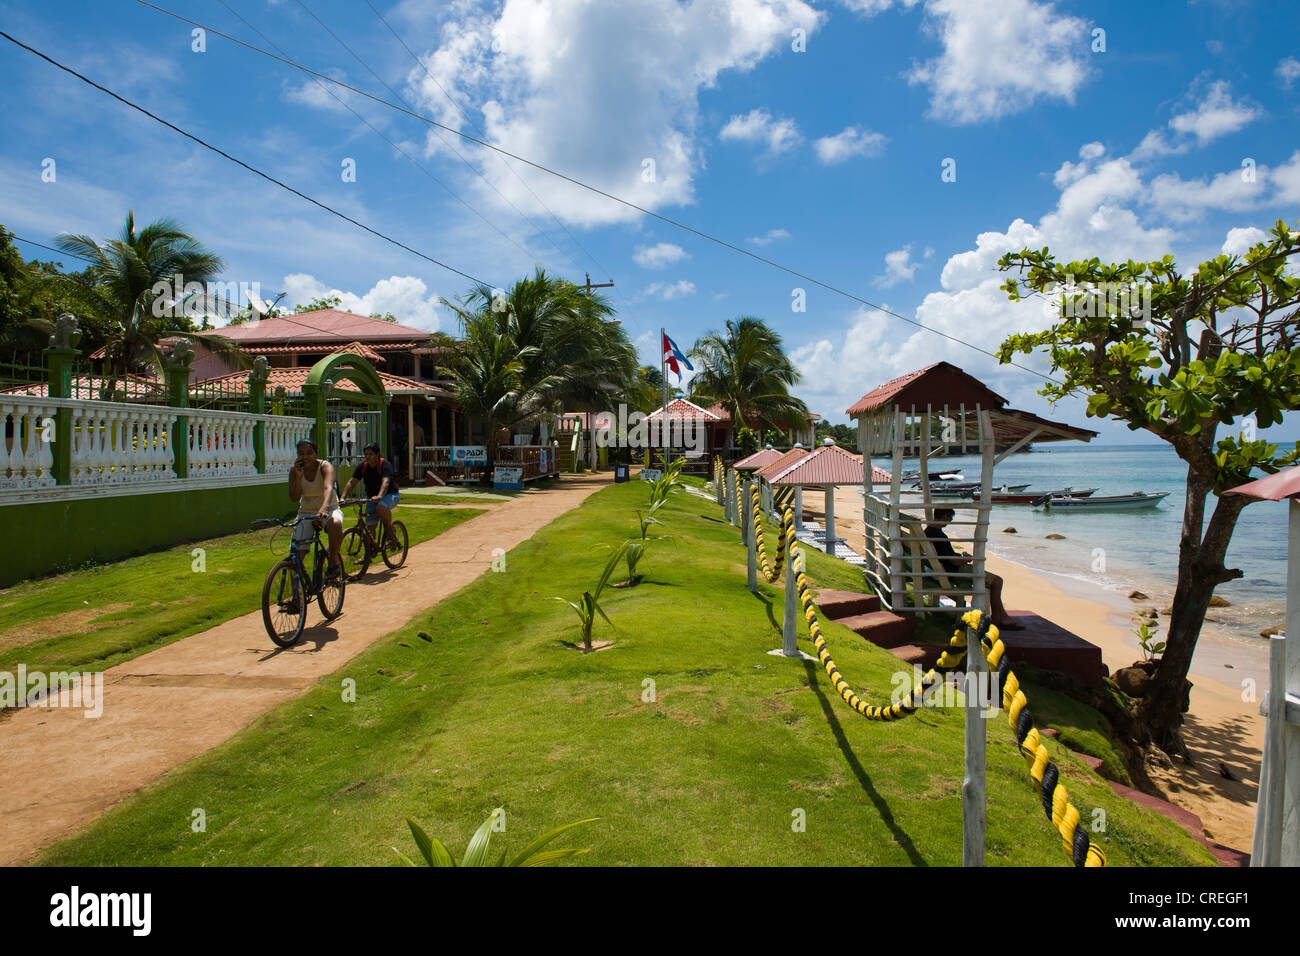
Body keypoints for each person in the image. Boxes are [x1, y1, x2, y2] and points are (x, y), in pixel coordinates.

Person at [924, 508, 1023, 630]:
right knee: (997, 581)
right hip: (953, 571)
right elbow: (954, 562)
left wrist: (959, 556)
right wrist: (965, 559)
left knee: (993, 581)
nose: (950, 521)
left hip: (939, 569)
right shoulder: (939, 535)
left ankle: (1000, 616)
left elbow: (946, 555)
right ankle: (998, 617)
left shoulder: (928, 531)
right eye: (950, 518)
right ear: (944, 516)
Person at [288, 438, 344, 577]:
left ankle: (332, 562)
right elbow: (294, 497)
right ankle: (299, 594)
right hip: (305, 512)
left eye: (309, 453)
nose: (305, 457)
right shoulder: (295, 470)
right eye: (301, 453)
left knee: (335, 524)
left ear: (316, 454)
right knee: (295, 558)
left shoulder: (325, 467)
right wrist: (299, 477)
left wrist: (323, 509)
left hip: (328, 508)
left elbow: (328, 488)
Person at [342, 442, 400, 543]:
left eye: (370, 454)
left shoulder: (385, 465)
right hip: (371, 498)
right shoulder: (363, 467)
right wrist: (343, 497)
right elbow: (352, 482)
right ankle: (370, 551)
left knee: (381, 507)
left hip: (390, 495)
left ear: (377, 454)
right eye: (366, 454)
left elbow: (385, 482)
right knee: (370, 529)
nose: (367, 457)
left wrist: (379, 496)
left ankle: (389, 529)